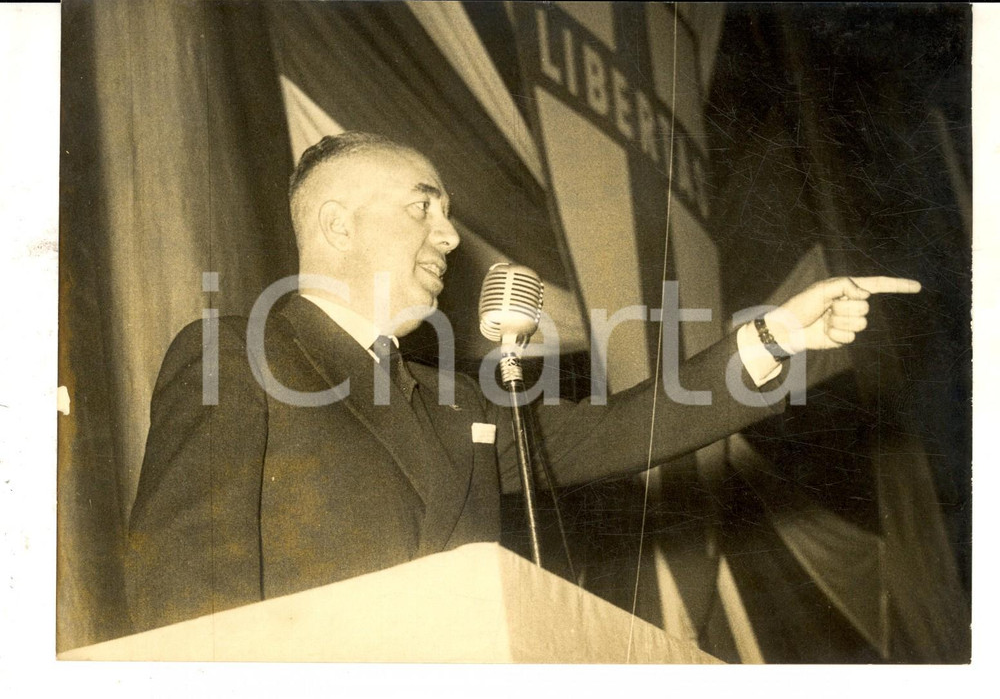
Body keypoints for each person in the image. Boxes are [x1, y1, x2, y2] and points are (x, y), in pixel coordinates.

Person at [124, 132, 921, 633]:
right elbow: (185, 595)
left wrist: (778, 335)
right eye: (423, 207)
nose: (448, 234)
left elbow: (622, 429)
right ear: (336, 225)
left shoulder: (455, 402)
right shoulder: (240, 353)